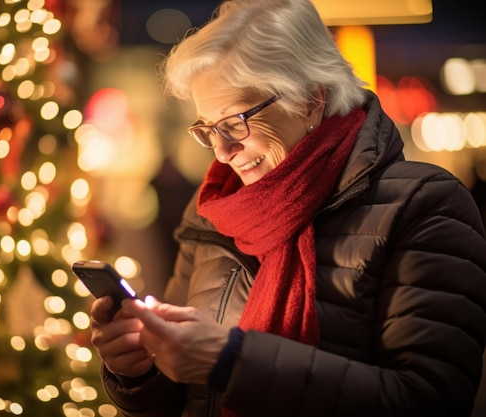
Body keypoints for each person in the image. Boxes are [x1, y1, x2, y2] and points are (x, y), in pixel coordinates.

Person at [89, 0, 486, 416]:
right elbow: (184, 401)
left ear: (311, 99)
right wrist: (137, 372)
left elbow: (430, 400)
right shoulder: (215, 209)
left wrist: (233, 362)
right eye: (207, 129)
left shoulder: (423, 205)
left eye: (235, 122)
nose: (222, 153)